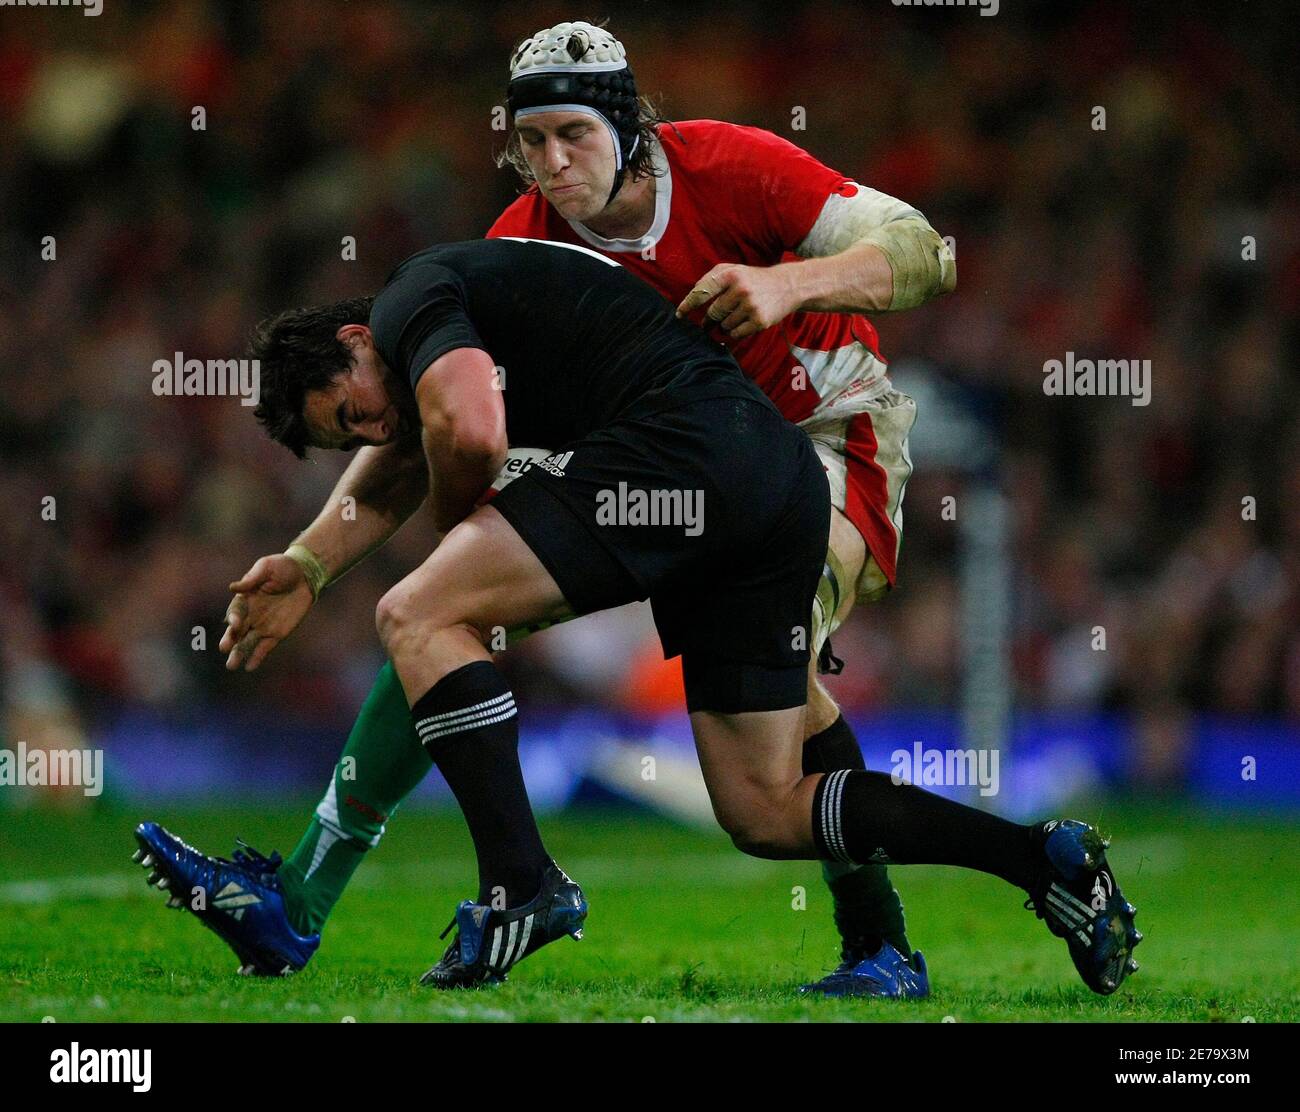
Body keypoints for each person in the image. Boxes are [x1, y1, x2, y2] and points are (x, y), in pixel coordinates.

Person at [136, 236, 1141, 997]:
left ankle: (518, 883)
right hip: (770, 481)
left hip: (675, 459)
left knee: (418, 612)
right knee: (763, 805)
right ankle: (1035, 858)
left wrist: (455, 541)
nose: (370, 426)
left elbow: (466, 426)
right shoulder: (460, 318)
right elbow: (417, 438)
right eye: (345, 432)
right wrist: (311, 563)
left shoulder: (409, 301)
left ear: (357, 338)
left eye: (349, 407)